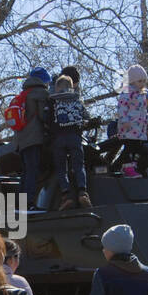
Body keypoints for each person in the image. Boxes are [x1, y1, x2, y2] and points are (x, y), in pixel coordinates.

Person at [10, 67, 52, 210]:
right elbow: (43, 116)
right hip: (34, 138)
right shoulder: (40, 93)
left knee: (26, 171)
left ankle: (20, 204)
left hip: (20, 141)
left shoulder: (24, 93)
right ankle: (29, 204)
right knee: (33, 171)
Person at [49, 74, 90, 210]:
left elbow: (46, 118)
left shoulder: (54, 102)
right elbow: (86, 116)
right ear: (71, 87)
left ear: (57, 87)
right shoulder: (78, 101)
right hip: (75, 137)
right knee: (78, 166)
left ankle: (66, 196)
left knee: (61, 168)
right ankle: (82, 192)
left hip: (59, 138)